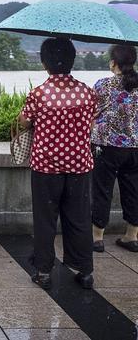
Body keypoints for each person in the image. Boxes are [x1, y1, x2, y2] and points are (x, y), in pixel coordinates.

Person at [19, 37, 96, 290]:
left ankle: (43, 271)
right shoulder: (87, 93)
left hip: (46, 168)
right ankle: (84, 270)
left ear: (44, 63)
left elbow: (23, 122)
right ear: (73, 61)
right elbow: (91, 124)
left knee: (45, 219)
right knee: (80, 218)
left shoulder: (39, 93)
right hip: (79, 166)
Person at [91, 45, 138, 253]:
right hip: (135, 147)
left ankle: (97, 238)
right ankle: (131, 236)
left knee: (102, 190)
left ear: (113, 63)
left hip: (107, 146)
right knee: (134, 190)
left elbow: (91, 112)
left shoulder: (103, 85)